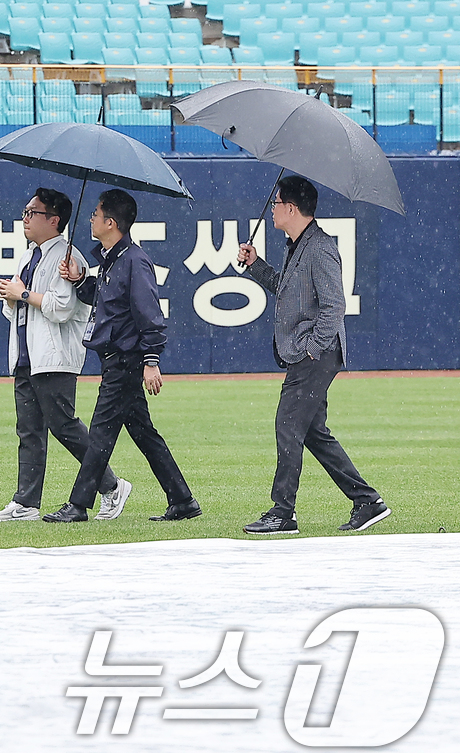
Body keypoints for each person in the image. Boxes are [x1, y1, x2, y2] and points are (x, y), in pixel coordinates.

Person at [235, 175, 390, 534]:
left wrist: (312, 349)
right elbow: (286, 289)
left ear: (291, 208)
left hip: (315, 354)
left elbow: (335, 304)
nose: (272, 209)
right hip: (312, 352)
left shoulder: (318, 247)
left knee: (288, 424)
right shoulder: (298, 244)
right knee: (312, 432)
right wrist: (256, 265)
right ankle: (367, 501)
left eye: (276, 204)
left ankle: (282, 512)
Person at [45, 189, 200, 523]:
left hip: (125, 361)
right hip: (116, 357)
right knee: (144, 433)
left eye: (97, 213)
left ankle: (79, 504)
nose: (92, 218)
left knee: (101, 432)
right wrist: (79, 280)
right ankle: (183, 500)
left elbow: (149, 314)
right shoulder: (113, 258)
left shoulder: (133, 260)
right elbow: (105, 299)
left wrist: (151, 360)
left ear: (111, 222)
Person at [0, 188, 132, 523]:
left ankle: (111, 486)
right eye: (25, 211)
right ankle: (25, 502)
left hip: (53, 356)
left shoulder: (68, 258)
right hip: (27, 355)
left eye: (32, 212)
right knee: (29, 429)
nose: (25, 217)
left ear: (54, 220)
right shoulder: (28, 256)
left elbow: (62, 307)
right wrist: (12, 298)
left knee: (64, 425)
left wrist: (21, 292)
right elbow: (19, 312)